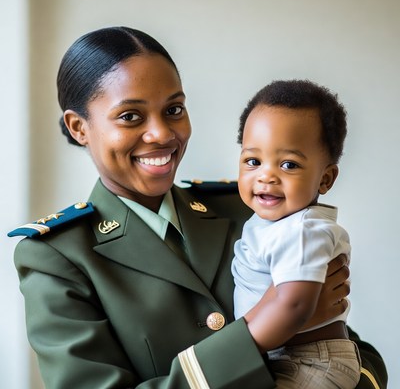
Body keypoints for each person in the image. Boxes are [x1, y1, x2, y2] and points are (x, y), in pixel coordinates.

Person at [7, 27, 386, 389]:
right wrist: (256, 333)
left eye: (173, 109)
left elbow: (353, 353)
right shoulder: (56, 257)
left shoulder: (250, 210)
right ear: (79, 127)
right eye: (130, 116)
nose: (161, 134)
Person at [231, 80, 360, 388]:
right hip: (285, 356)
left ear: (325, 179)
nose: (266, 175)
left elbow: (295, 306)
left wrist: (236, 352)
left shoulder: (302, 230)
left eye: (288, 164)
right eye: (253, 161)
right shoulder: (269, 223)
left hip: (310, 360)